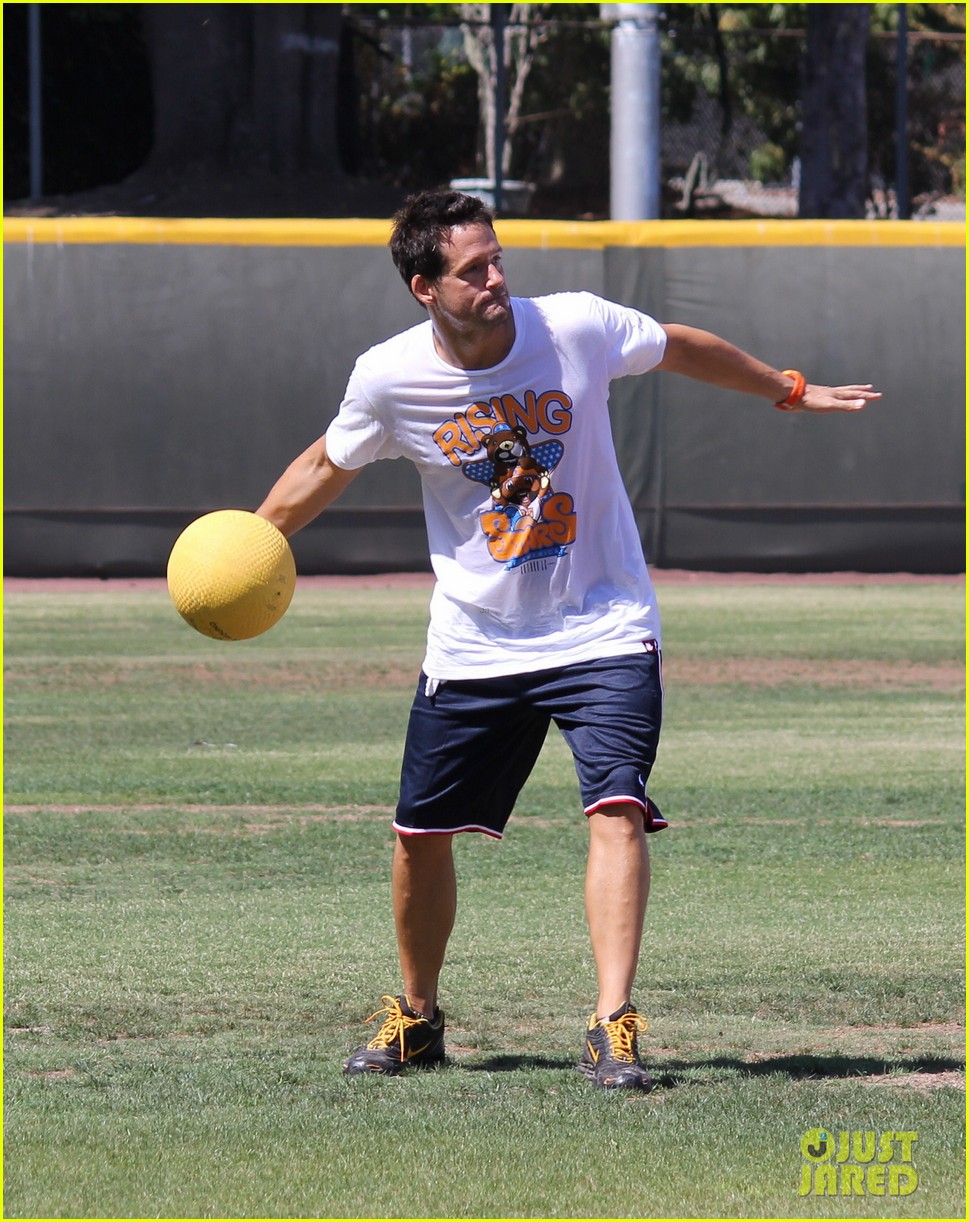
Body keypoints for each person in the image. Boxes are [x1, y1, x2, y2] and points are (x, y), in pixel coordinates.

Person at [256, 189, 880, 1090]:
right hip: (476, 641)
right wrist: (246, 544)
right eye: (473, 270)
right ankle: (418, 1018)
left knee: (615, 809)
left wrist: (784, 388)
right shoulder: (389, 378)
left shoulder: (575, 327)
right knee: (419, 834)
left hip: (603, 622)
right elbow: (324, 464)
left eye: (498, 258)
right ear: (424, 287)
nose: (497, 278)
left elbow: (675, 344)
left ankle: (611, 1023)